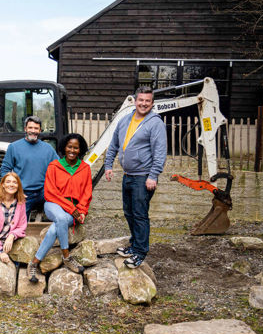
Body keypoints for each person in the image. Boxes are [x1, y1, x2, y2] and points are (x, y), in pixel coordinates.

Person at [104, 86, 167, 268]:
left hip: (143, 177)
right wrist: (108, 165)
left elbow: (160, 152)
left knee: (140, 215)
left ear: (152, 103)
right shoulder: (125, 120)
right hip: (128, 175)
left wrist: (153, 175)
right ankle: (134, 245)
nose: (144, 104)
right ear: (135, 100)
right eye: (141, 100)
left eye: (148, 101)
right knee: (129, 212)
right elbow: (114, 144)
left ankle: (140, 252)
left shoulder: (155, 124)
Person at [27, 133, 92, 283]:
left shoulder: (85, 169)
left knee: (54, 229)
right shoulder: (54, 166)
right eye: (69, 147)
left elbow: (86, 193)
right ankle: (67, 256)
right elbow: (51, 193)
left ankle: (34, 262)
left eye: (76, 148)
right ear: (64, 147)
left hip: (74, 209)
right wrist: (73, 210)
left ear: (80, 150)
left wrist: (81, 211)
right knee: (61, 218)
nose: (72, 150)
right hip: (53, 204)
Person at [0, 116, 59, 220]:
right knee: (19, 223)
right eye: (30, 128)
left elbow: (59, 169)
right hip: (24, 193)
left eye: (36, 128)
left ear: (40, 130)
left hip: (44, 192)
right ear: (25, 129)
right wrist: (14, 190)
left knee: (58, 215)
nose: (33, 131)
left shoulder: (48, 148)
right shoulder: (14, 147)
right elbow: (5, 170)